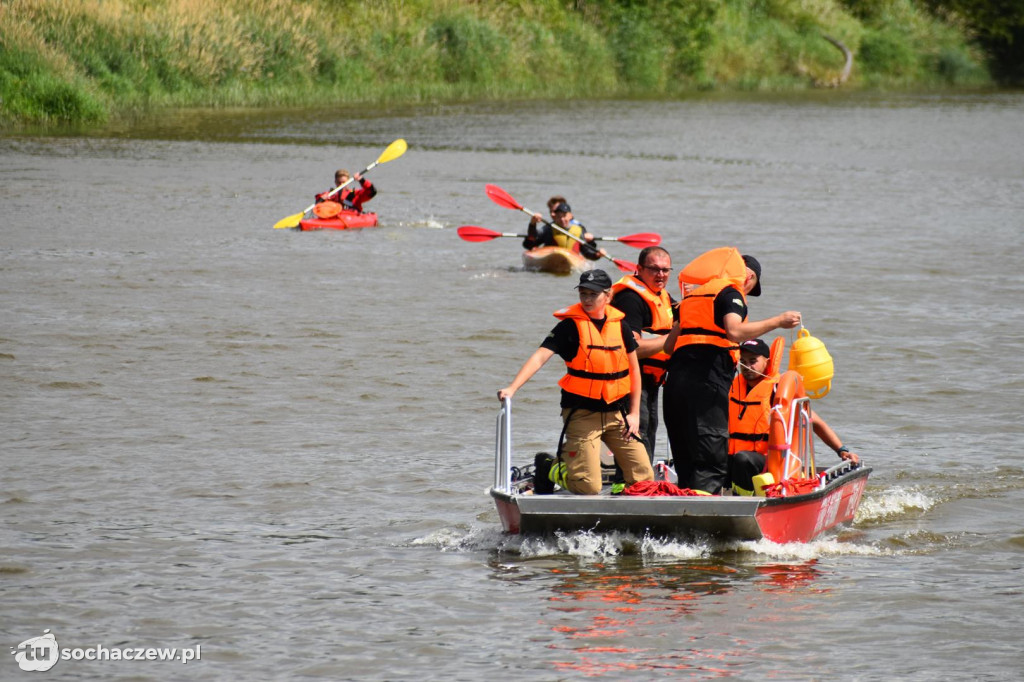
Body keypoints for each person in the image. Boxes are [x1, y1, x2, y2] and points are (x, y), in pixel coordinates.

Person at [497, 269, 655, 495]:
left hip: (616, 414)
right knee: (588, 487)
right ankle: (549, 467)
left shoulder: (621, 326)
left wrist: (634, 413)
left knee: (644, 478)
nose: (587, 299)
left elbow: (634, 371)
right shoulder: (569, 327)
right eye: (583, 294)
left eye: (593, 294)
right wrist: (512, 388)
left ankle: (626, 507)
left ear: (608, 296)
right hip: (582, 415)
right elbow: (541, 356)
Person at [661, 248, 802, 494]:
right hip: (706, 379)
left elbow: (668, 345)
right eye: (751, 282)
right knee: (711, 455)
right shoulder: (730, 292)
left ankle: (682, 509)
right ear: (746, 276)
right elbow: (734, 332)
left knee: (686, 453)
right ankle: (705, 523)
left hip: (675, 381)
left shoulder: (693, 297)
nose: (748, 289)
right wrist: (778, 321)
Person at [728, 338, 860, 495]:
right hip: (735, 459)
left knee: (742, 459)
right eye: (743, 361)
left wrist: (842, 450)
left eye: (753, 361)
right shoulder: (732, 387)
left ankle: (744, 502)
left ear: (767, 362)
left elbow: (816, 423)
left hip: (770, 461)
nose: (748, 367)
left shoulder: (778, 390)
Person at [609, 246, 676, 463]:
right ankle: (631, 483)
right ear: (639, 269)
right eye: (654, 269)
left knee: (650, 428)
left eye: (666, 270)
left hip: (652, 378)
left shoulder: (662, 295)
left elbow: (684, 314)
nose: (661, 275)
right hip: (630, 377)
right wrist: (672, 340)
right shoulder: (631, 299)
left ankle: (643, 480)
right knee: (639, 428)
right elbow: (633, 348)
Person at [521, 199, 605, 261]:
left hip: (573, 259)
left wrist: (597, 254)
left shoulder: (579, 229)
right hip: (552, 259)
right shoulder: (549, 228)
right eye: (559, 216)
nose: (562, 219)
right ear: (554, 216)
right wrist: (533, 223)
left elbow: (587, 252)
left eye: (564, 216)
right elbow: (530, 243)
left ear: (570, 216)